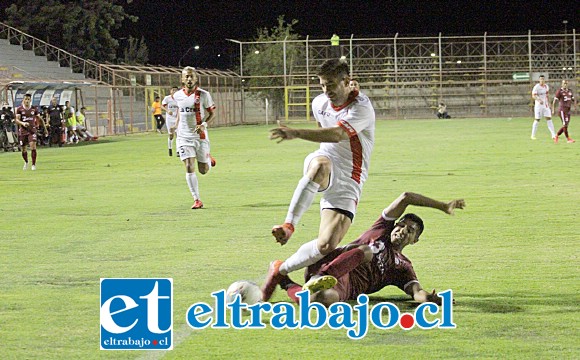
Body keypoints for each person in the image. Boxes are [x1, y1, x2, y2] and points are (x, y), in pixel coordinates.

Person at [263, 58, 376, 301]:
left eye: (332, 84)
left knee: (327, 245)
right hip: (324, 162)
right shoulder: (320, 103)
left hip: (350, 178)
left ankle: (279, 271)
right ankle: (289, 225)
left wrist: (295, 132)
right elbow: (326, 139)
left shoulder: (361, 107)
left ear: (347, 82)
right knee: (321, 164)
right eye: (323, 85)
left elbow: (336, 134)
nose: (327, 91)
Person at [272, 192, 465, 306]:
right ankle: (321, 276)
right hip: (330, 264)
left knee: (320, 301)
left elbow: (416, 291)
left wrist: (430, 299)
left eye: (410, 231)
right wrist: (442, 206)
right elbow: (406, 197)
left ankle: (286, 282)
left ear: (415, 240)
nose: (402, 231)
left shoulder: (402, 267)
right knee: (366, 251)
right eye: (401, 225)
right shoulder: (381, 229)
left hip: (346, 288)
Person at [171, 66, 216, 209]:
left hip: (200, 136)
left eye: (192, 76)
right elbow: (179, 112)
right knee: (189, 166)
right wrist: (174, 126)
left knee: (203, 170)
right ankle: (197, 199)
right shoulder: (177, 95)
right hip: (183, 137)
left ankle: (209, 159)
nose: (189, 79)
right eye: (186, 77)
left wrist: (204, 125)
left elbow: (212, 114)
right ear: (182, 79)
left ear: (196, 78)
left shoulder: (203, 95)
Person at [14, 93, 47, 170]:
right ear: (23, 100)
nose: (27, 101)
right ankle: (26, 162)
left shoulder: (34, 109)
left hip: (32, 131)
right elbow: (17, 120)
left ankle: (33, 165)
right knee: (23, 149)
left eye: (28, 99)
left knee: (33, 147)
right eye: (26, 99)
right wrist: (23, 123)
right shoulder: (19, 109)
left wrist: (45, 129)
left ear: (30, 100)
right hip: (23, 131)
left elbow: (40, 119)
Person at [530, 75, 556, 140]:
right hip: (538, 106)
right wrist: (538, 100)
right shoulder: (536, 87)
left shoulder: (546, 87)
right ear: (539, 80)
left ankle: (553, 135)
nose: (542, 80)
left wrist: (549, 104)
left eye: (543, 79)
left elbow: (547, 96)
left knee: (549, 118)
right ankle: (533, 135)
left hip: (545, 105)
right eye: (541, 79)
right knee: (537, 119)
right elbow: (533, 95)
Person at [551, 79, 576, 144]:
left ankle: (556, 135)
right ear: (562, 84)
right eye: (564, 83)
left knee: (566, 125)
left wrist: (575, 105)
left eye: (566, 83)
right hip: (562, 110)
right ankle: (568, 139)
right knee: (565, 124)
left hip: (568, 111)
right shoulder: (559, 91)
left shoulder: (570, 91)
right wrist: (553, 109)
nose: (565, 84)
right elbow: (555, 101)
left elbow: (573, 99)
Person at [162, 86, 179, 156]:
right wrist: (167, 110)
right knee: (171, 135)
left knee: (178, 135)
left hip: (177, 118)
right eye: (173, 90)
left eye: (176, 90)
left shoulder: (179, 99)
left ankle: (178, 151)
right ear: (170, 91)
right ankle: (170, 148)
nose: (174, 91)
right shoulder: (167, 98)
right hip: (169, 119)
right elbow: (162, 106)